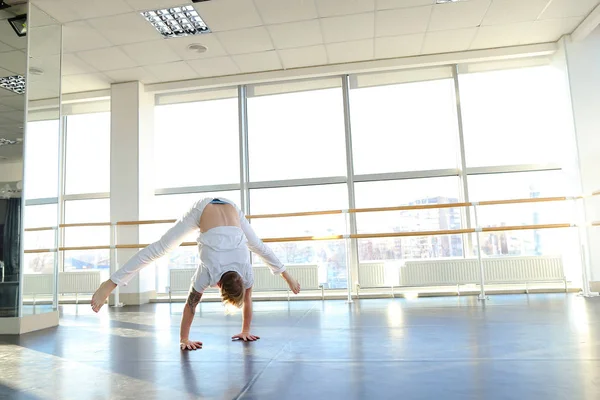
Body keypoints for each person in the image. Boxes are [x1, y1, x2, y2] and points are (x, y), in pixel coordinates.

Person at [91, 197, 301, 350]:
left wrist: (287, 276)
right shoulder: (209, 273)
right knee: (161, 248)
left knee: (256, 245)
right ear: (219, 287)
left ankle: (111, 283)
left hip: (231, 207)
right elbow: (192, 306)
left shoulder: (245, 271)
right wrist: (183, 339)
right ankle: (110, 283)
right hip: (203, 209)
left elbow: (243, 296)